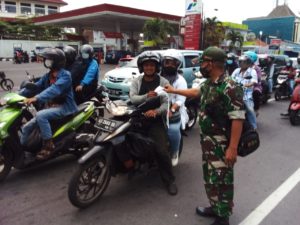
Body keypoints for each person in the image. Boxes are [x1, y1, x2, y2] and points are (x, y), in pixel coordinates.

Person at [164, 47, 245, 225]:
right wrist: (173, 91)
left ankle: (223, 217)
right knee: (211, 177)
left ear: (212, 63)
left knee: (222, 179)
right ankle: (215, 207)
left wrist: (232, 148)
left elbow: (237, 119)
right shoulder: (210, 83)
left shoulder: (230, 86)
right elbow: (195, 93)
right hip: (208, 142)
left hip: (222, 144)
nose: (201, 65)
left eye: (203, 62)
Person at [129, 51, 178, 196]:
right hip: (138, 118)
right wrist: (146, 96)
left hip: (156, 121)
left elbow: (166, 103)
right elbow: (133, 98)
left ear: (156, 67)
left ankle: (169, 180)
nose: (149, 68)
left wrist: (155, 112)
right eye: (146, 65)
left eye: (151, 65)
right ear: (142, 67)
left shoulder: (163, 82)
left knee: (161, 151)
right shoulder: (137, 81)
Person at [20, 48, 78, 160]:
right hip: (51, 107)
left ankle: (48, 145)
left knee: (41, 115)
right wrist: (18, 95)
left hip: (65, 107)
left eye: (49, 59)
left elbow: (54, 90)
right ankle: (20, 152)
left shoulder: (66, 75)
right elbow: (36, 86)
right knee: (26, 127)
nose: (46, 61)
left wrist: (36, 98)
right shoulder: (48, 75)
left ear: (56, 61)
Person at [161, 49, 188, 166]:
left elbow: (180, 100)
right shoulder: (156, 77)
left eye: (173, 63)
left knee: (173, 130)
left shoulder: (180, 81)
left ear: (177, 65)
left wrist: (172, 110)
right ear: (163, 63)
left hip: (173, 111)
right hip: (157, 108)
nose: (170, 65)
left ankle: (174, 152)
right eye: (167, 62)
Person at [232, 55, 258, 130]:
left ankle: (254, 127)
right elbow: (231, 79)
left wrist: (246, 85)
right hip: (235, 93)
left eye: (242, 62)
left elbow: (253, 82)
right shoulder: (236, 70)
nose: (240, 63)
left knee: (250, 109)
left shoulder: (252, 71)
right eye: (240, 62)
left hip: (246, 95)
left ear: (248, 63)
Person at [245, 51, 262, 116]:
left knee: (256, 93)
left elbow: (258, 78)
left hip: (255, 86)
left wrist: (252, 80)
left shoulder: (256, 68)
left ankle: (256, 109)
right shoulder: (243, 66)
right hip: (244, 85)